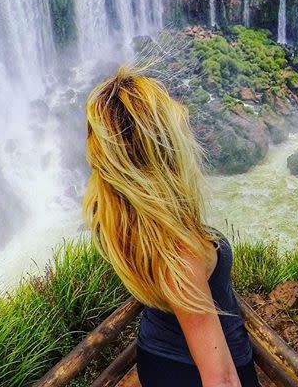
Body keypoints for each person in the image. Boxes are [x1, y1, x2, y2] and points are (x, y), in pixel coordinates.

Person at [83, 65, 260, 387]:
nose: (185, 116)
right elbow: (221, 379)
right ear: (162, 148)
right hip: (192, 371)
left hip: (156, 354)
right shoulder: (178, 251)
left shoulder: (117, 216)